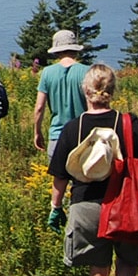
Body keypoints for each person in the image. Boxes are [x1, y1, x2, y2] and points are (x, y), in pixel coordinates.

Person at [48, 64, 138, 276]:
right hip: (125, 205)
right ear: (112, 90)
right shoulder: (130, 123)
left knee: (98, 268)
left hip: (85, 206)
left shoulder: (72, 128)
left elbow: (60, 177)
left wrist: (55, 207)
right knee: (127, 259)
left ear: (85, 90)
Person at [34, 29, 89, 225]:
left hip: (57, 135)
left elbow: (39, 107)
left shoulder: (47, 73)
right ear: (75, 49)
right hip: (83, 135)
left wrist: (37, 132)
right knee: (82, 182)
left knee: (59, 179)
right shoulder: (87, 72)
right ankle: (78, 221)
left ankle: (58, 216)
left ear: (57, 50)